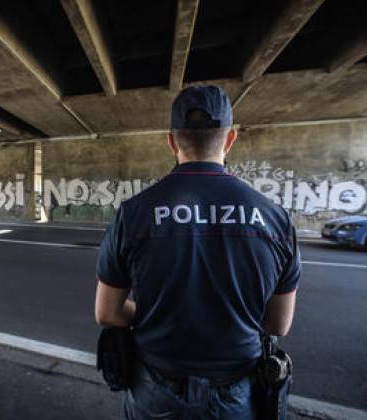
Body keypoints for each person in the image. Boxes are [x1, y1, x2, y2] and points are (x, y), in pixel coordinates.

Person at [94, 85, 300, 419]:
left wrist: (154, 313)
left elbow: (108, 312)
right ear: (230, 139)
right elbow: (278, 323)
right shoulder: (275, 218)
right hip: (236, 390)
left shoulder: (133, 213)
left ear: (172, 141)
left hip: (156, 387)